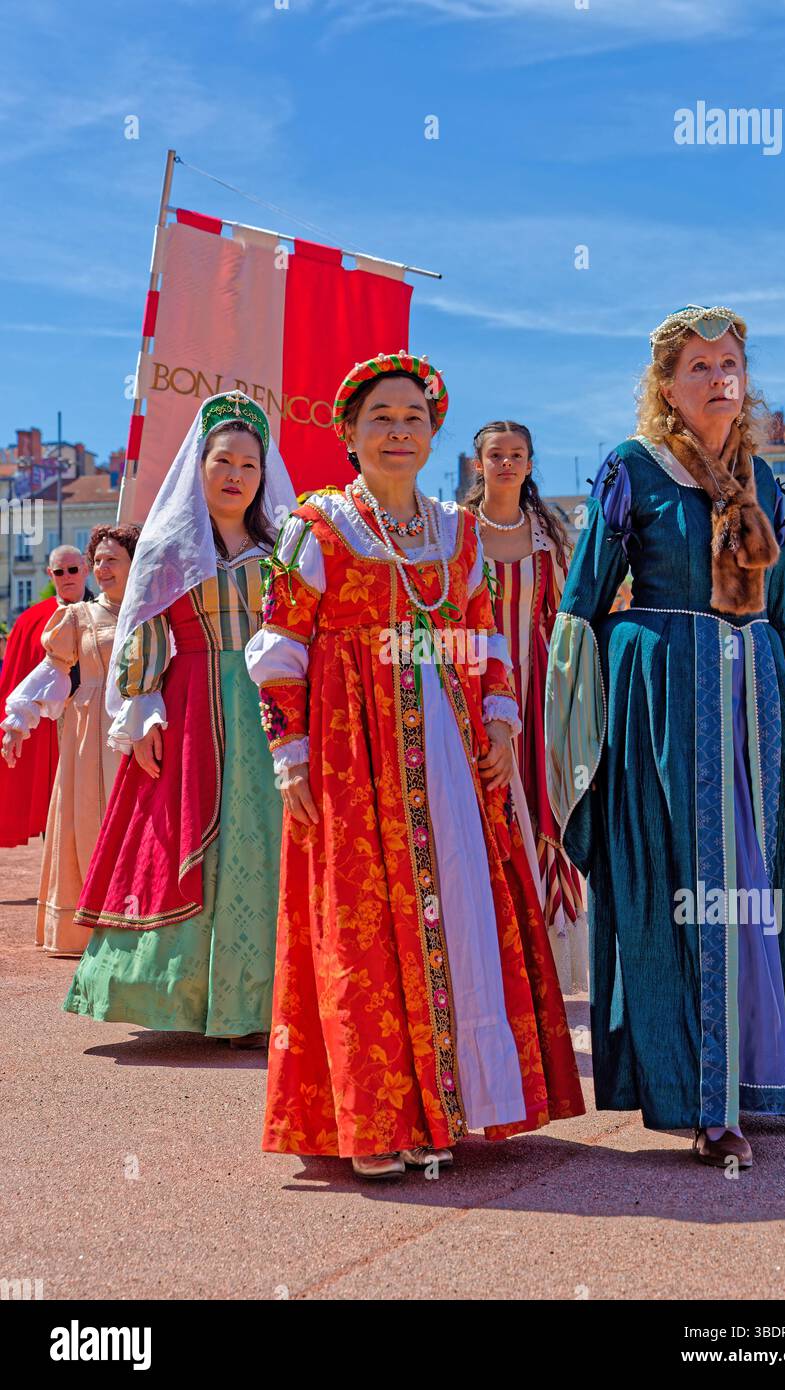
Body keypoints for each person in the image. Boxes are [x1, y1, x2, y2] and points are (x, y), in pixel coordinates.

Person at [246, 351, 584, 1179]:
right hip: (351, 746)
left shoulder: (458, 531)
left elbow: (485, 634)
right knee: (365, 922)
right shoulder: (316, 526)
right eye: (381, 419)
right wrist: (289, 757)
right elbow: (279, 647)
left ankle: (460, 1103)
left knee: (460, 908)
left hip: (449, 746)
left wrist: (501, 721)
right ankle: (379, 1116)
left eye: (413, 419)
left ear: (434, 435)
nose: (399, 431)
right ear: (351, 435)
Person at [546, 305, 785, 1169]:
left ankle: (759, 1074)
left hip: (756, 707)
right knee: (683, 884)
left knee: (770, 883)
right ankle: (702, 1098)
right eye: (700, 365)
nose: (718, 377)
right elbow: (586, 600)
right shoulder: (632, 469)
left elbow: (782, 615)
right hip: (668, 698)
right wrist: (581, 738)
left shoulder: (765, 482)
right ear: (667, 386)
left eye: (730, 363)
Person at [64, 392, 296, 1045]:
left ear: (262, 472)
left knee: (267, 843)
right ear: (199, 465)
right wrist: (141, 706)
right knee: (183, 837)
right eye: (222, 460)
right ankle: (188, 999)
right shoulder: (169, 545)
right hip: (191, 698)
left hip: (269, 702)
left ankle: (265, 999)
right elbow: (140, 627)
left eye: (249, 465)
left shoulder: (284, 545)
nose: (235, 475)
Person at [464, 420, 589, 994]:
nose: (507, 464)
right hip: (472, 685)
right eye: (496, 455)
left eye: (517, 455)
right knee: (482, 809)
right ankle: (488, 951)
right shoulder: (458, 529)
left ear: (531, 463)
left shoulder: (547, 533)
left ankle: (545, 955)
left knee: (542, 807)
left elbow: (561, 620)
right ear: (478, 463)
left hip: (537, 688)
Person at [1, 526, 139, 956]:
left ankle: (137, 920)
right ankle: (86, 925)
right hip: (88, 734)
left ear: (135, 563)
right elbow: (52, 671)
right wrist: (17, 717)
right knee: (87, 822)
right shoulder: (78, 616)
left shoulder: (152, 612)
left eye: (111, 559)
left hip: (141, 729)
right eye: (97, 560)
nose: (101, 568)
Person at [0, 546, 90, 848]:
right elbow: (15, 679)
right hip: (49, 727)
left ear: (85, 569)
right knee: (51, 798)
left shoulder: (109, 610)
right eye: (59, 572)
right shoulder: (30, 621)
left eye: (73, 570)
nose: (67, 577)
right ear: (50, 574)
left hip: (95, 718)